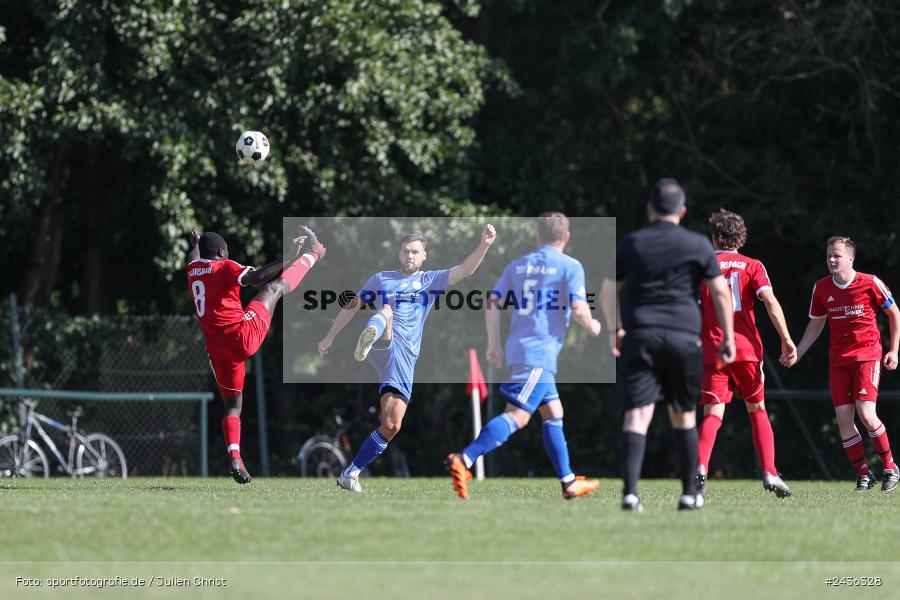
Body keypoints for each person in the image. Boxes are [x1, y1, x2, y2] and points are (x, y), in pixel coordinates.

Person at [318, 225, 497, 492]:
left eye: (414, 252)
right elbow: (352, 304)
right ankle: (375, 331)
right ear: (398, 254)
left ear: (424, 256)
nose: (409, 256)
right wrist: (329, 337)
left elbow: (465, 269)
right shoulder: (381, 279)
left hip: (403, 359)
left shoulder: (429, 280)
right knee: (387, 310)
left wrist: (484, 244)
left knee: (391, 425)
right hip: (384, 344)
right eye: (405, 251)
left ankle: (350, 473)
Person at [599, 178, 736, 512]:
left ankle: (630, 494)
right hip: (684, 337)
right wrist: (729, 337)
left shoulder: (632, 242)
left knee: (637, 415)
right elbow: (720, 292)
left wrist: (614, 329)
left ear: (649, 209)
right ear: (683, 211)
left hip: (641, 335)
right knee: (684, 414)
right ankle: (689, 494)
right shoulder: (697, 244)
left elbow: (606, 291)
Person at [445, 213, 602, 500]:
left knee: (554, 413)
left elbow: (491, 303)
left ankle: (568, 482)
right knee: (516, 415)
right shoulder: (570, 266)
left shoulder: (518, 266)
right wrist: (593, 325)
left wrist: (494, 343)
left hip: (522, 349)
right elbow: (579, 309)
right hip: (538, 353)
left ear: (538, 236)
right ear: (566, 237)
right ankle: (464, 459)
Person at [186, 226, 325, 484]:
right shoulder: (224, 266)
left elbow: (194, 257)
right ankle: (314, 254)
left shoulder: (193, 271)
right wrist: (289, 256)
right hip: (241, 336)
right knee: (273, 289)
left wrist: (195, 244)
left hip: (218, 352)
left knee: (233, 408)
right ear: (221, 252)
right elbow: (258, 277)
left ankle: (235, 456)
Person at [787, 236, 899, 492]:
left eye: (837, 255)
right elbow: (816, 323)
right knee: (843, 418)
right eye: (829, 256)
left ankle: (890, 467)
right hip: (839, 361)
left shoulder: (870, 283)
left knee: (867, 414)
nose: (832, 260)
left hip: (867, 356)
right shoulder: (822, 288)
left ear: (851, 258)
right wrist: (798, 352)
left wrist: (894, 350)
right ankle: (864, 474)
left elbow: (894, 313)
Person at [696, 209, 794, 498]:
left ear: (714, 236)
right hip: (747, 350)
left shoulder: (702, 266)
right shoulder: (752, 265)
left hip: (714, 349)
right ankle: (769, 472)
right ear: (741, 237)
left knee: (713, 414)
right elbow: (770, 302)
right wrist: (786, 339)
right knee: (757, 409)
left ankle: (700, 467)